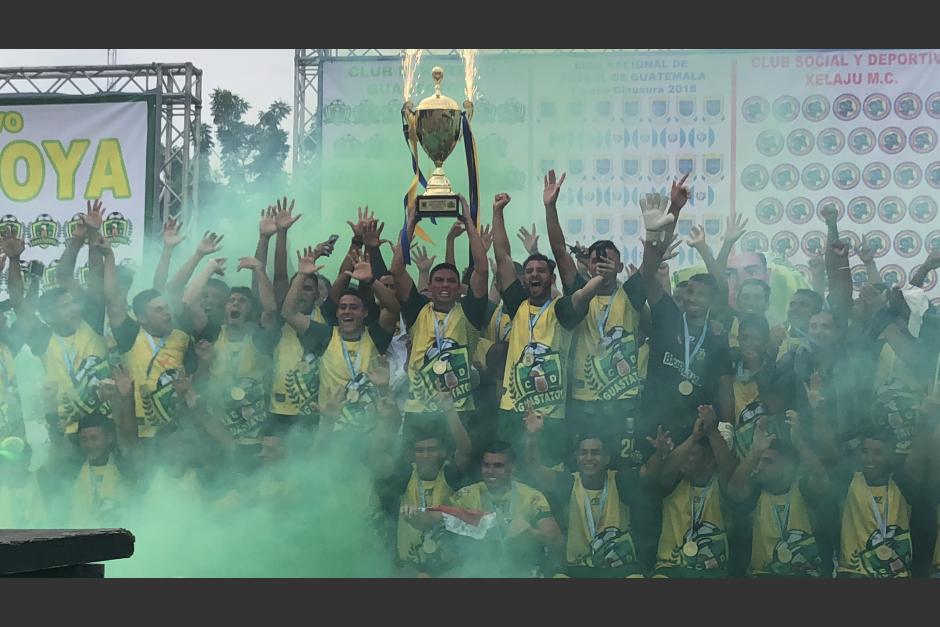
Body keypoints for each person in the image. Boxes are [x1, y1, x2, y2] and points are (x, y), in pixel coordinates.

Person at [491, 191, 605, 469]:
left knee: (548, 476)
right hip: (513, 409)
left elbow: (579, 288)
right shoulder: (517, 304)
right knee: (512, 475)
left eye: (541, 271)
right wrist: (497, 212)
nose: (534, 274)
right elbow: (503, 257)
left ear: (551, 278)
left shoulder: (561, 310)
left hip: (551, 414)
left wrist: (599, 277)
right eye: (529, 271)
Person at [542, 170, 646, 468]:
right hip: (584, 399)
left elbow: (650, 266)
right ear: (588, 265)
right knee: (582, 467)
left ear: (620, 266)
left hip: (623, 399)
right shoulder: (579, 288)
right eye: (596, 260)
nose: (601, 264)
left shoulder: (630, 293)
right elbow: (559, 250)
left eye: (608, 260)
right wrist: (550, 207)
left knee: (620, 469)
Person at [390, 197, 488, 442]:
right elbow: (397, 272)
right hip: (418, 409)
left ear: (459, 287)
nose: (445, 285)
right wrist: (411, 222)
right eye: (439, 281)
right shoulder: (418, 310)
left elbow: (482, 270)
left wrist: (469, 221)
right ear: (430, 286)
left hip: (459, 408)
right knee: (416, 463)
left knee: (458, 463)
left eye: (451, 281)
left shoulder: (469, 312)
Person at [521, 411, 647, 577]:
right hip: (576, 569)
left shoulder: (620, 481)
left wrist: (661, 455)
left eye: (595, 453)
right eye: (583, 452)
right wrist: (532, 437)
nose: (589, 458)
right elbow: (534, 470)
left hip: (618, 569)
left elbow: (652, 473)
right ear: (577, 457)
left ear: (607, 458)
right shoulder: (568, 483)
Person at [436, 441, 563, 577]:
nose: (490, 471)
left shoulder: (531, 497)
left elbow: (556, 540)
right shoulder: (466, 495)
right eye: (486, 465)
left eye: (498, 466)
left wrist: (530, 532)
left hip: (522, 571)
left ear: (512, 468)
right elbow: (437, 521)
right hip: (477, 570)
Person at [726, 413, 829, 577]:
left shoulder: (803, 488)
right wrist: (754, 453)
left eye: (768, 462)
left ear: (788, 466)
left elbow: (820, 475)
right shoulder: (755, 491)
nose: (759, 467)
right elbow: (733, 489)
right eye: (760, 461)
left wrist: (799, 443)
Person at [647, 405, 737, 578]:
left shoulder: (722, 486)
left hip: (713, 573)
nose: (683, 458)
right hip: (670, 569)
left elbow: (728, 469)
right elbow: (664, 471)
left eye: (691, 454)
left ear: (709, 461)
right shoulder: (673, 483)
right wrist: (694, 437)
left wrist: (712, 430)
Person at [390, 391, 472, 577]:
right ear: (413, 454)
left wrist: (450, 411)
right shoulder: (405, 475)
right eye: (420, 450)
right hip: (409, 565)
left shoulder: (449, 474)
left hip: (446, 567)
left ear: (443, 452)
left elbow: (465, 451)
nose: (426, 455)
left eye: (432, 449)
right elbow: (378, 460)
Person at [834, 427, 929, 578]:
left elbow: (917, 464)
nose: (869, 459)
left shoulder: (902, 486)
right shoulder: (848, 483)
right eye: (865, 451)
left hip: (897, 575)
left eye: (878, 453)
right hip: (854, 574)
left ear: (890, 455)